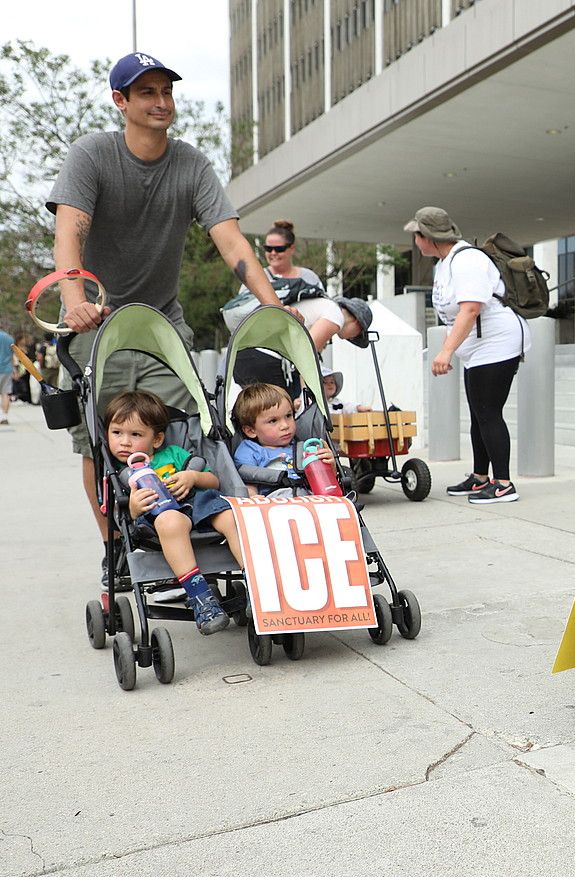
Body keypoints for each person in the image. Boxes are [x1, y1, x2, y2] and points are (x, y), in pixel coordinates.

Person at [47, 51, 296, 567]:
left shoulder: (191, 165)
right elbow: (69, 230)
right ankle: (115, 552)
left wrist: (273, 307)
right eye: (147, 93)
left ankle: (190, 533)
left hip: (163, 327)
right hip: (97, 326)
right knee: (99, 444)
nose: (161, 102)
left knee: (188, 433)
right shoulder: (92, 155)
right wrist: (74, 302)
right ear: (121, 101)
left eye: (166, 92)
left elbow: (232, 243)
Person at [406, 206, 530, 505]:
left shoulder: (468, 260)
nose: (415, 241)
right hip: (477, 349)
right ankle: (480, 477)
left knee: (488, 413)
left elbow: (471, 308)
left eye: (416, 235)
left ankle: (503, 484)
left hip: (498, 344)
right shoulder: (447, 262)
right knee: (479, 414)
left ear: (429, 237)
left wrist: (446, 351)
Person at [106, 391, 244, 635]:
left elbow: (214, 481)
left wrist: (192, 476)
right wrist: (135, 505)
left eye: (135, 434)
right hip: (161, 516)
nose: (124, 442)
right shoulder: (118, 473)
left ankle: (256, 585)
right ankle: (200, 596)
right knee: (171, 521)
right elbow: (120, 515)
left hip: (200, 504)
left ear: (157, 439)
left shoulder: (175, 454)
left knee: (232, 516)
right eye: (117, 433)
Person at [229, 220, 373, 397]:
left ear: (291, 249)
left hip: (244, 352)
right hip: (269, 358)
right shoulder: (335, 314)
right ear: (357, 323)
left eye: (279, 249)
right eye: (268, 249)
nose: (273, 253)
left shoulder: (308, 281)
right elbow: (305, 355)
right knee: (279, 416)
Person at [231, 382, 335, 495]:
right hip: (275, 500)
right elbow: (248, 481)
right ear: (251, 431)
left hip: (309, 496)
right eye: (273, 421)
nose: (285, 425)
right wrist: (253, 497)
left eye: (289, 416)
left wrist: (330, 465)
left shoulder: (303, 448)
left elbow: (325, 484)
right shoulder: (250, 450)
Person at [0, 327, 12, 424]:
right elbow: (13, 353)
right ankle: (4, 416)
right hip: (7, 368)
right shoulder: (9, 338)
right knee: (5, 393)